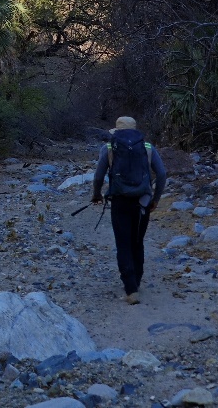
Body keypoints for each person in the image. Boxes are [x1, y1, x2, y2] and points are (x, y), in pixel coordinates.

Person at [91, 116, 167, 305]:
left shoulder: (108, 148)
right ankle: (137, 280)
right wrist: (155, 199)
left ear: (116, 131)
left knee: (123, 243)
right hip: (143, 202)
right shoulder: (148, 148)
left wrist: (96, 195)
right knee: (137, 241)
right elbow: (162, 174)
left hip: (119, 201)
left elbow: (98, 176)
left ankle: (130, 289)